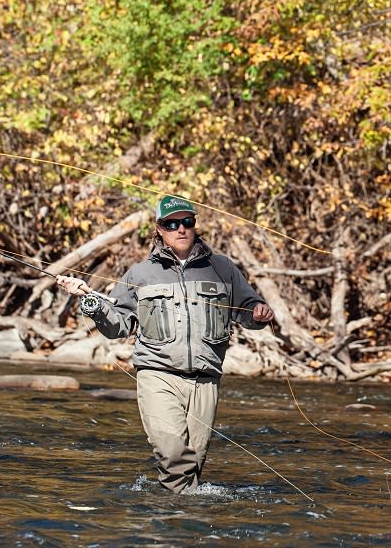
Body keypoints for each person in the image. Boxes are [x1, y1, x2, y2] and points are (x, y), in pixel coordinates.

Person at [55, 195, 275, 493]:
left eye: (187, 222)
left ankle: (178, 522)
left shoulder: (222, 268)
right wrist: (90, 302)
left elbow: (247, 309)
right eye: (172, 224)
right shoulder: (140, 273)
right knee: (173, 455)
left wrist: (259, 312)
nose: (181, 229)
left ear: (195, 226)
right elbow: (119, 325)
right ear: (159, 229)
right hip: (157, 375)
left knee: (192, 465)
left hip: (205, 381)